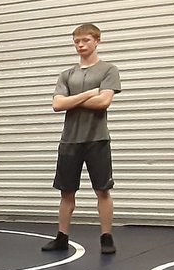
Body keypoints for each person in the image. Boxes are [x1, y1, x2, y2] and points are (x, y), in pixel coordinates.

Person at [42, 23, 121, 255]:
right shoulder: (67, 74)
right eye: (76, 41)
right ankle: (62, 237)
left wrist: (71, 100)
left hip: (97, 140)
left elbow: (104, 102)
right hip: (70, 141)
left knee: (102, 191)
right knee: (66, 192)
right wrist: (88, 93)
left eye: (85, 40)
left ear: (97, 41)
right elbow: (57, 104)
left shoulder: (108, 70)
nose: (80, 45)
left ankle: (106, 237)